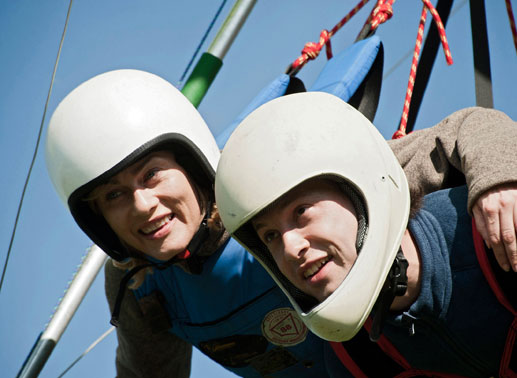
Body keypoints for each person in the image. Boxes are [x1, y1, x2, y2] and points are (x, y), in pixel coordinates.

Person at [45, 70, 515, 378]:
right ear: (99, 220)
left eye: (152, 175)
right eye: (114, 196)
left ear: (190, 164)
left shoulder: (272, 185)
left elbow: (455, 134)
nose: (144, 205)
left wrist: (497, 179)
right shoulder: (141, 287)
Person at [215, 92, 517, 377]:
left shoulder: (495, 238)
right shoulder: (355, 361)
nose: (291, 247)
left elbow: (468, 126)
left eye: (301, 212)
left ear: (359, 190)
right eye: (270, 236)